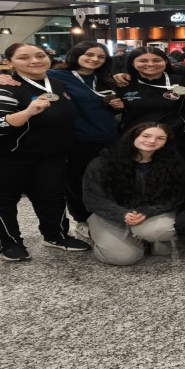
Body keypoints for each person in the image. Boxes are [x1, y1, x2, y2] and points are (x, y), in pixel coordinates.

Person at [0, 42, 90, 261]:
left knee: (52, 197)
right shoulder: (3, 88)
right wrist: (27, 112)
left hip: (49, 155)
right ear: (9, 63)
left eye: (40, 55)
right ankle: (10, 242)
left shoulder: (56, 84)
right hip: (7, 156)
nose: (34, 61)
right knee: (2, 201)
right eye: (24, 57)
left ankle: (55, 236)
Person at [82, 123, 185, 266]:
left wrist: (147, 211)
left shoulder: (174, 163)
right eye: (146, 136)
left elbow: (176, 197)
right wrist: (122, 214)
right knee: (123, 258)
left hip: (150, 213)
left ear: (166, 142)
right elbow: (94, 198)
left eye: (160, 138)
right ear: (133, 137)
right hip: (110, 215)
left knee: (161, 232)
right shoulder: (103, 162)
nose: (152, 141)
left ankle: (145, 237)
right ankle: (94, 233)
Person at [46, 42, 120, 241]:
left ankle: (108, 217)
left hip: (108, 137)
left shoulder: (105, 78)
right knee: (78, 182)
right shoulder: (56, 76)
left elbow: (105, 106)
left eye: (100, 56)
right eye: (89, 54)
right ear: (76, 54)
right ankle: (82, 220)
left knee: (109, 181)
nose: (95, 59)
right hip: (77, 139)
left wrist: (116, 106)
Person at [108, 46, 185, 173]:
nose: (150, 64)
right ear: (132, 63)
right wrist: (115, 106)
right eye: (143, 61)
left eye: (157, 60)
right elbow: (114, 111)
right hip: (137, 143)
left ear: (166, 62)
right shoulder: (124, 83)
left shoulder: (181, 81)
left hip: (176, 142)